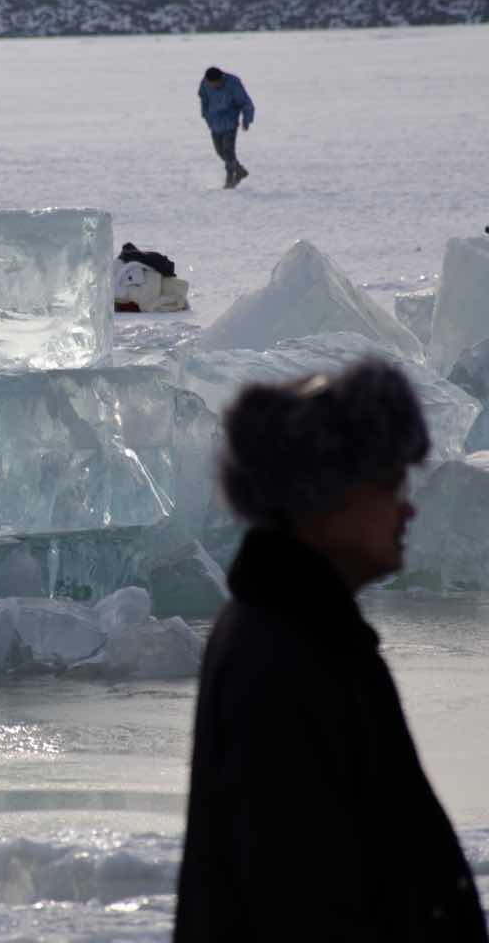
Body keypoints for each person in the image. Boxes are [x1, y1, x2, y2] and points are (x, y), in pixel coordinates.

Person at [174, 358, 488, 943]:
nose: (408, 507)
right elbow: (300, 898)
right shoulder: (282, 658)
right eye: (389, 483)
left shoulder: (300, 633)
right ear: (326, 498)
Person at [198, 65, 254, 189]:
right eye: (210, 84)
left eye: (215, 84)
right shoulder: (205, 83)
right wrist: (205, 116)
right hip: (214, 123)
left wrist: (246, 119)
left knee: (228, 152)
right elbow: (203, 99)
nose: (212, 86)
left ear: (221, 78)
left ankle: (230, 179)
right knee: (220, 152)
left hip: (230, 123)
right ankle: (239, 170)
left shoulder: (233, 83)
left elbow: (246, 102)